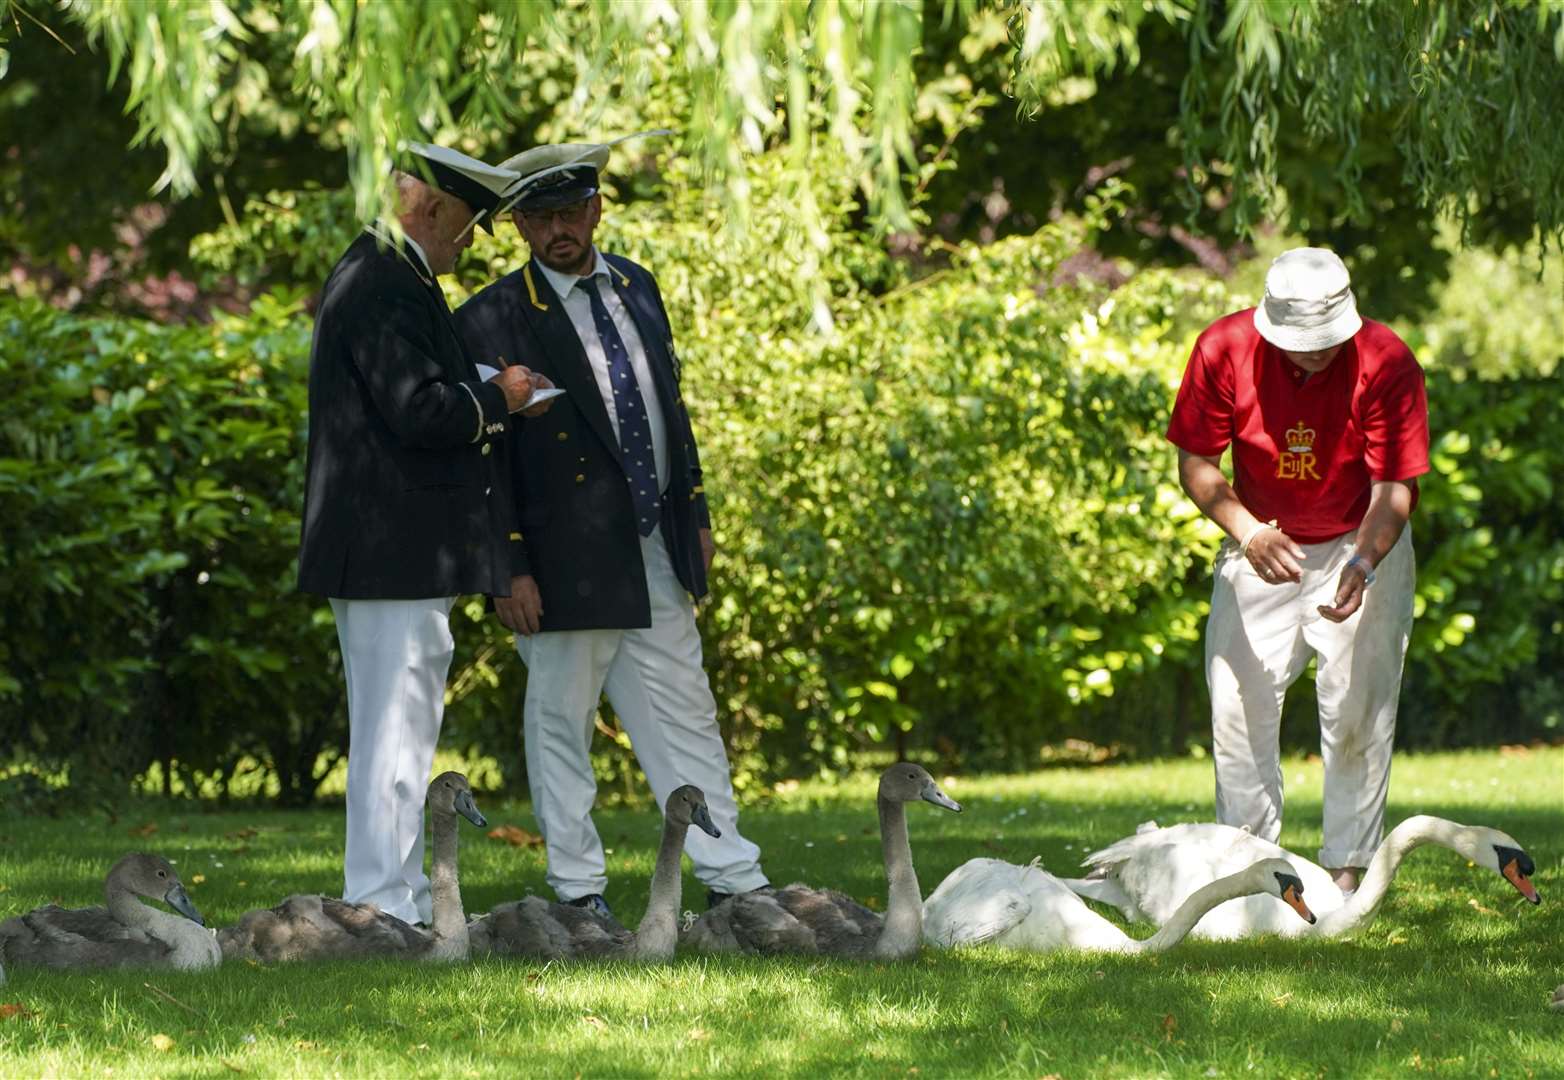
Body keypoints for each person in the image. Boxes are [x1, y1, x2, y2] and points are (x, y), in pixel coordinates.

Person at [453, 141, 769, 919]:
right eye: (539, 217)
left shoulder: (638, 285)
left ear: (598, 208)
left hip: (654, 539)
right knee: (560, 723)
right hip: (557, 562)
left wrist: (692, 510)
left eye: (570, 212)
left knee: (686, 707)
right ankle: (578, 890)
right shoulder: (489, 316)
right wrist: (507, 567)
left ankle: (731, 878)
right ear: (520, 226)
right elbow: (485, 464)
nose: (558, 230)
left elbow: (670, 409)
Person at [298, 141, 553, 925]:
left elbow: (407, 392)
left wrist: (484, 388)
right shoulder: (384, 277)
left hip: (395, 548)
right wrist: (499, 401)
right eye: (469, 224)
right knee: (394, 734)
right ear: (431, 207)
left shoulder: (389, 271)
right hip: (391, 548)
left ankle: (394, 895)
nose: (470, 242)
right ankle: (381, 903)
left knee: (402, 729)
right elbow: (416, 408)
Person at [1166, 246, 1430, 894]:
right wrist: (1248, 532)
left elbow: (1393, 486)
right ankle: (1254, 871)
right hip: (1259, 537)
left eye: (1326, 341)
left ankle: (1344, 880)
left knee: (1357, 711)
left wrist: (1365, 561)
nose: (1315, 352)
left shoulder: (1386, 360)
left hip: (1360, 538)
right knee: (1237, 704)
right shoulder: (1222, 349)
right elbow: (1196, 462)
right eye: (1302, 343)